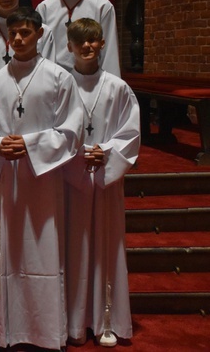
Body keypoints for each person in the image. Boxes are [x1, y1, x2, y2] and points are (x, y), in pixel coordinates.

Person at [0, 7, 84, 350]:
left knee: (42, 252)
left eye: (25, 32)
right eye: (13, 33)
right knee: (2, 251)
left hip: (42, 181)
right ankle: (0, 329)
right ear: (7, 37)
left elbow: (71, 131)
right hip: (6, 180)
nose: (18, 38)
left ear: (39, 35)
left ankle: (46, 332)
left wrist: (31, 146)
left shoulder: (59, 78)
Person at [65, 18, 140, 347]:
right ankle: (74, 320)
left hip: (106, 178)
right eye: (80, 42)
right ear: (69, 46)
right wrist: (78, 154)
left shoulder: (118, 87)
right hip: (71, 176)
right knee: (74, 246)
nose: (86, 47)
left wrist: (106, 152)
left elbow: (131, 132)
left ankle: (106, 319)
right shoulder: (61, 84)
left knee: (107, 245)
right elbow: (53, 129)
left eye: (93, 41)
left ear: (101, 44)